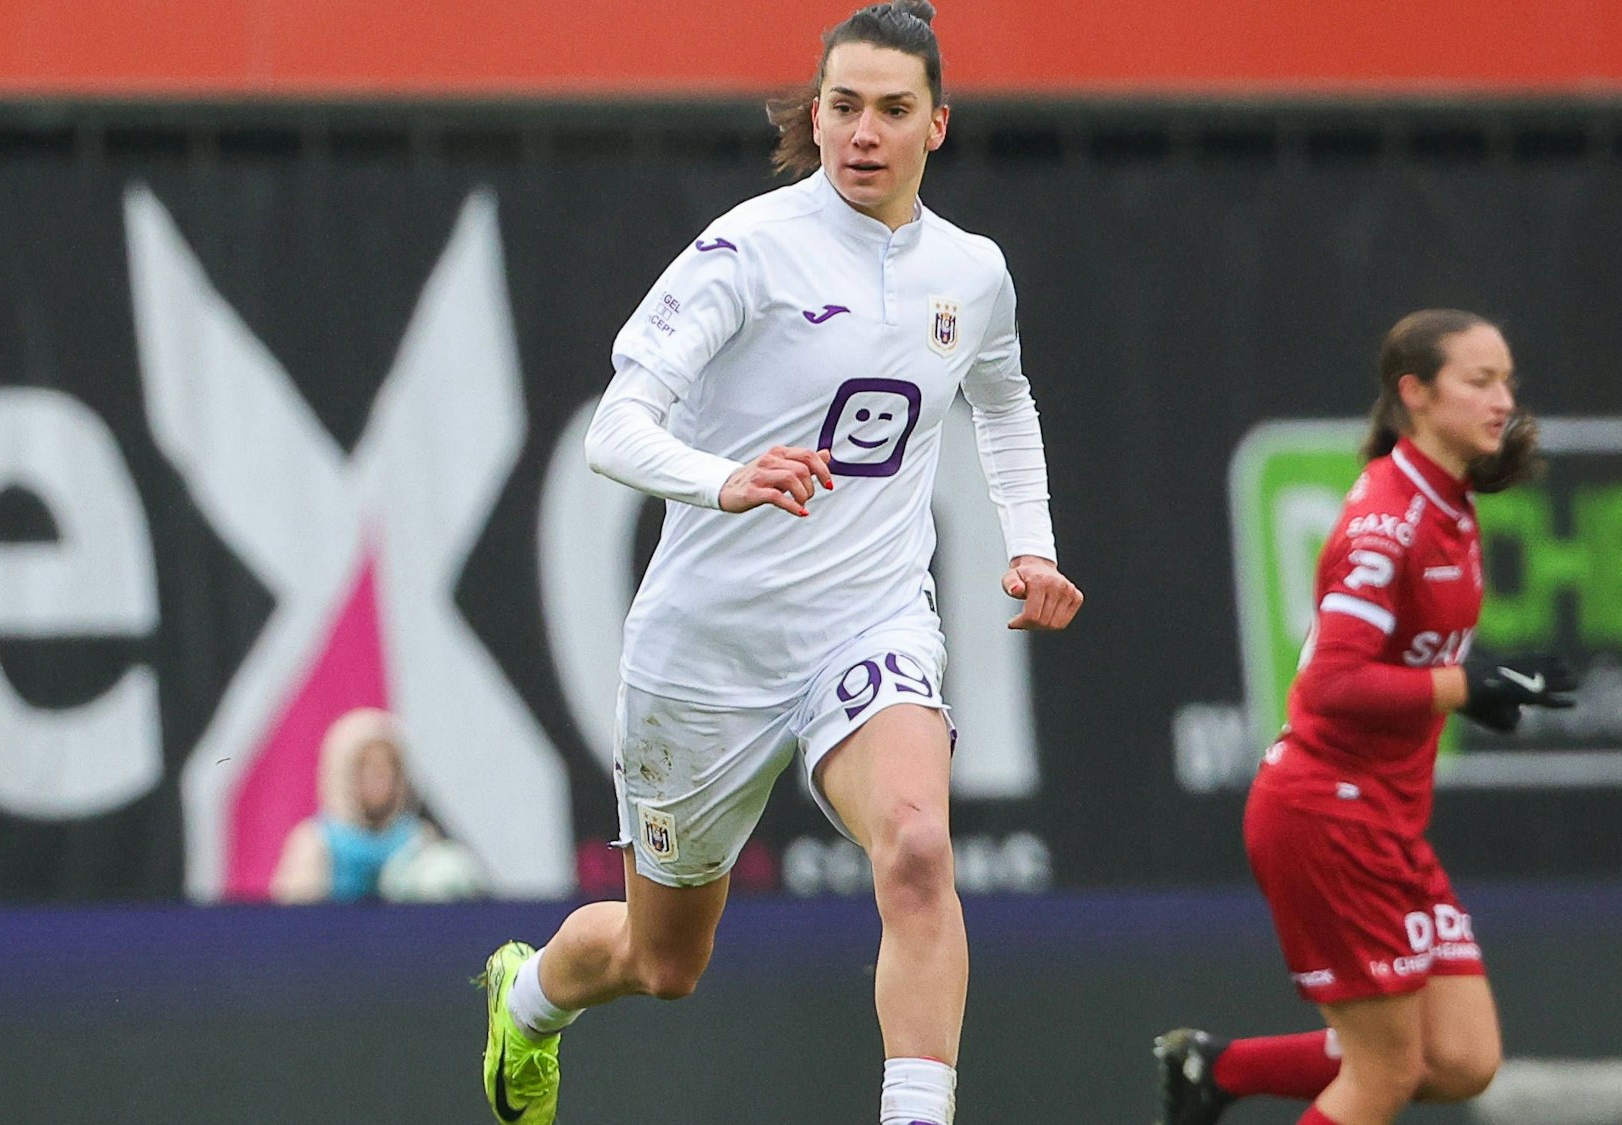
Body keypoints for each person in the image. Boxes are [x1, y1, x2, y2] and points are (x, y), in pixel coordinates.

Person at [478, 4, 1083, 1123]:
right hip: (708, 647)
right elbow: (616, 429)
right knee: (664, 963)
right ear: (816, 114)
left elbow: (1003, 401)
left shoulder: (972, 273)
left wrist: (1030, 546)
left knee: (914, 849)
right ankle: (530, 998)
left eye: (890, 111)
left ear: (935, 125)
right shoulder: (747, 248)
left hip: (867, 622)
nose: (862, 132)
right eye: (842, 107)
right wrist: (726, 478)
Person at [1154, 310, 1579, 1125]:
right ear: (1414, 393)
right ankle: (1220, 1071)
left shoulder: (1447, 499)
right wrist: (1464, 687)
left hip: (1385, 817)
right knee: (1383, 1071)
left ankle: (1219, 1068)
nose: (1505, 400)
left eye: (1508, 381)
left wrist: (1468, 688)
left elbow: (1407, 669)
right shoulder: (1387, 520)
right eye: (1480, 381)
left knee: (1460, 1060)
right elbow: (1331, 685)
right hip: (1329, 816)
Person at [271, 707, 481, 904]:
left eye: (387, 768)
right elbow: (294, 924)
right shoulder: (316, 843)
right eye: (368, 769)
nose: (379, 779)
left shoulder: (417, 842)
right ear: (344, 775)